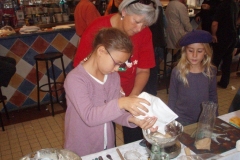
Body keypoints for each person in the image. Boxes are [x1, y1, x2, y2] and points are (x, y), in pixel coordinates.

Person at [73, 0, 159, 144]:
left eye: (144, 25)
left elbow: (143, 70)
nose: (139, 29)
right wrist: (118, 101)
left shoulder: (144, 33)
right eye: (136, 21)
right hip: (100, 99)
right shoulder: (98, 29)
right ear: (124, 11)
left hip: (129, 93)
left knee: (134, 139)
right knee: (102, 136)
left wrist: (133, 96)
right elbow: (81, 69)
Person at [64, 28, 158, 156]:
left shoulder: (113, 77)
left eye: (121, 65)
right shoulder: (75, 79)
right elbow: (89, 116)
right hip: (81, 150)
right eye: (116, 63)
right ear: (101, 51)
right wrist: (121, 102)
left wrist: (133, 120)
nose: (117, 69)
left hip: (107, 148)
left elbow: (115, 113)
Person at [168, 30, 218, 126]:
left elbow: (213, 96)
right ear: (185, 51)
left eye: (199, 51)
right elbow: (172, 97)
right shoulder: (177, 71)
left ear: (206, 52)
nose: (194, 55)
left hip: (203, 119)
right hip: (181, 119)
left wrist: (214, 116)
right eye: (190, 50)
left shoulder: (210, 71)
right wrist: (169, 119)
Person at [211, 0, 239, 89]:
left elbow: (215, 24)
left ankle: (210, 83)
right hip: (233, 35)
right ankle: (224, 82)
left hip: (222, 36)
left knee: (215, 60)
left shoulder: (222, 5)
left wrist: (213, 34)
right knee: (227, 60)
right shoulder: (235, 4)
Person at [145, 0, 167, 96]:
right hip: (157, 42)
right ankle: (151, 97)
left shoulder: (142, 6)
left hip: (151, 42)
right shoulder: (158, 5)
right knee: (152, 73)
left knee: (149, 73)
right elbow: (165, 24)